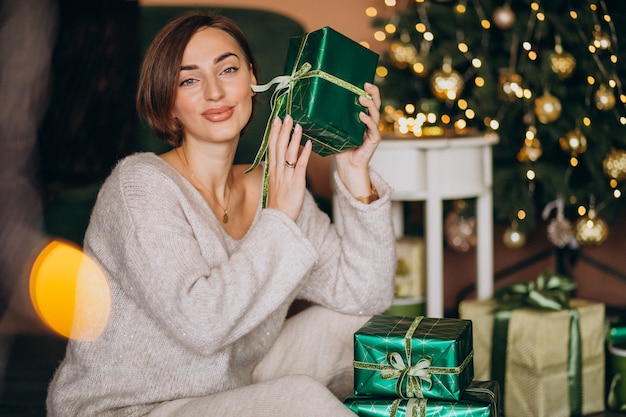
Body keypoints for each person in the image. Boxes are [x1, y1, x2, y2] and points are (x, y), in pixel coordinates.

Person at [47, 11, 396, 417]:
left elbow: (365, 294)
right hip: (132, 407)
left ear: (253, 79)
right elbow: (202, 326)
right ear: (168, 102)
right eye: (189, 79)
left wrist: (354, 172)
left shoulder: (273, 183)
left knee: (355, 327)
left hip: (225, 385)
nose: (214, 92)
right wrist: (280, 217)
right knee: (300, 400)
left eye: (228, 69)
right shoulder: (138, 185)